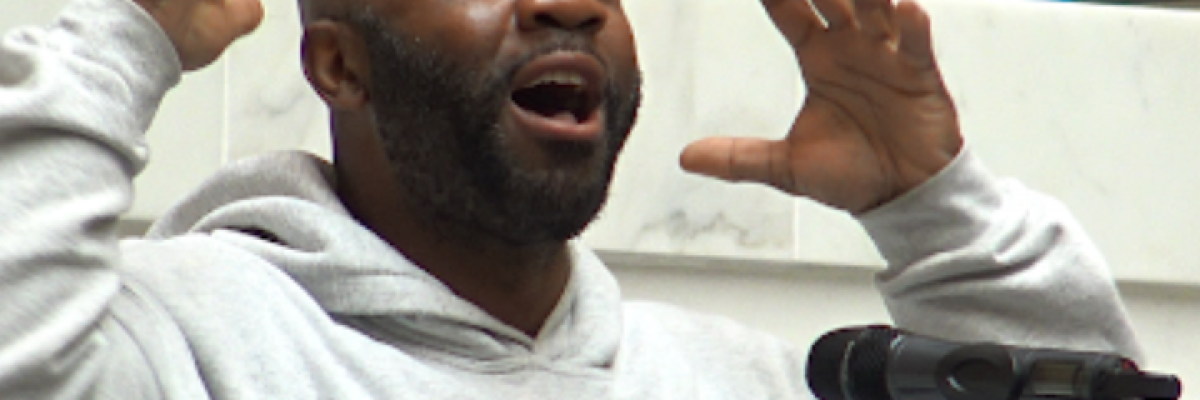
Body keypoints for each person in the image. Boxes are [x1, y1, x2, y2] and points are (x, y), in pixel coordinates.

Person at [0, 0, 1141, 398]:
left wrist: (937, 213)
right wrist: (119, 45)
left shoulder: (740, 380)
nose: (569, 5)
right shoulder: (175, 339)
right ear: (339, 66)